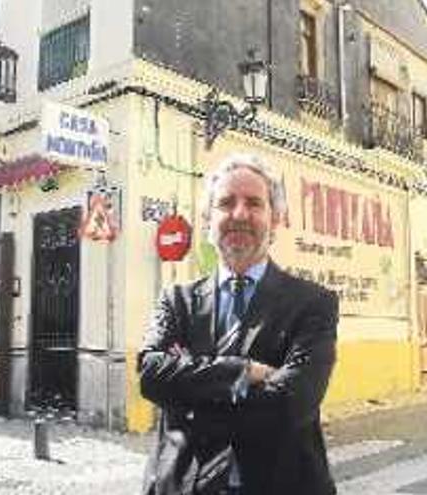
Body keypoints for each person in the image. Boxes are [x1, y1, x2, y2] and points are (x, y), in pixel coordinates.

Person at [138, 153, 339, 495]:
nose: (240, 214)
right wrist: (240, 373)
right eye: (226, 202)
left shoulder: (313, 304)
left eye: (254, 203)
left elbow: (291, 404)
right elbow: (151, 375)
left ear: (275, 219)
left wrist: (187, 391)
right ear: (207, 219)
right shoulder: (176, 302)